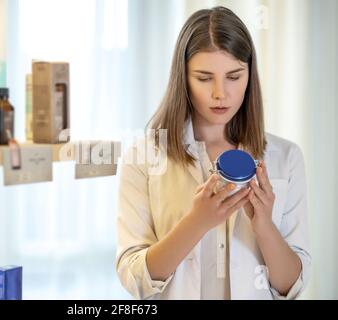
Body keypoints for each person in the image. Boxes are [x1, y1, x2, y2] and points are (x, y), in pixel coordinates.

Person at [115, 6, 311, 300]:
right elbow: (137, 281)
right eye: (204, 78)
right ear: (184, 79)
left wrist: (264, 226)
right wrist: (197, 221)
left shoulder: (286, 158)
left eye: (234, 76)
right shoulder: (141, 158)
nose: (220, 93)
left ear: (249, 75)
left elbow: (292, 286)